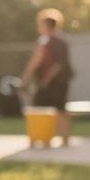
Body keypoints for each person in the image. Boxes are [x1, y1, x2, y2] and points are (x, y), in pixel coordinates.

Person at [21, 8, 75, 146]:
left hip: (52, 81)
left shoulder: (47, 41)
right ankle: (61, 139)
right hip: (60, 81)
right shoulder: (60, 41)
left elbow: (52, 63)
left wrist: (40, 79)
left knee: (43, 109)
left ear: (45, 25)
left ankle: (44, 139)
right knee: (59, 109)